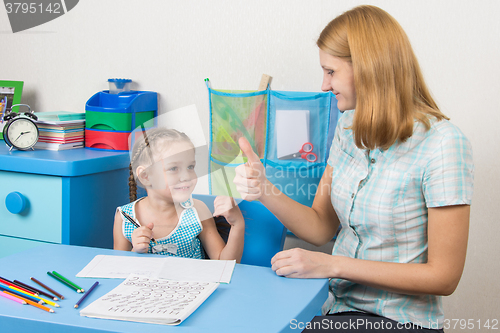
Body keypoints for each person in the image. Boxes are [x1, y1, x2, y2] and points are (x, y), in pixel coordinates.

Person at [233, 5, 473, 332]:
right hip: (337, 309)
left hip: (400, 320)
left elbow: (443, 277)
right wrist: (264, 190)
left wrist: (333, 264)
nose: (323, 84)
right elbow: (320, 227)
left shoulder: (443, 144)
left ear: (368, 68)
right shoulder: (348, 128)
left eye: (330, 71)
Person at [113, 127, 245, 262]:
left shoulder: (198, 211)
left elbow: (224, 264)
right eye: (173, 168)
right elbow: (117, 269)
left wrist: (237, 224)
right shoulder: (124, 217)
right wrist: (135, 251)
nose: (186, 176)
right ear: (145, 176)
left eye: (190, 167)